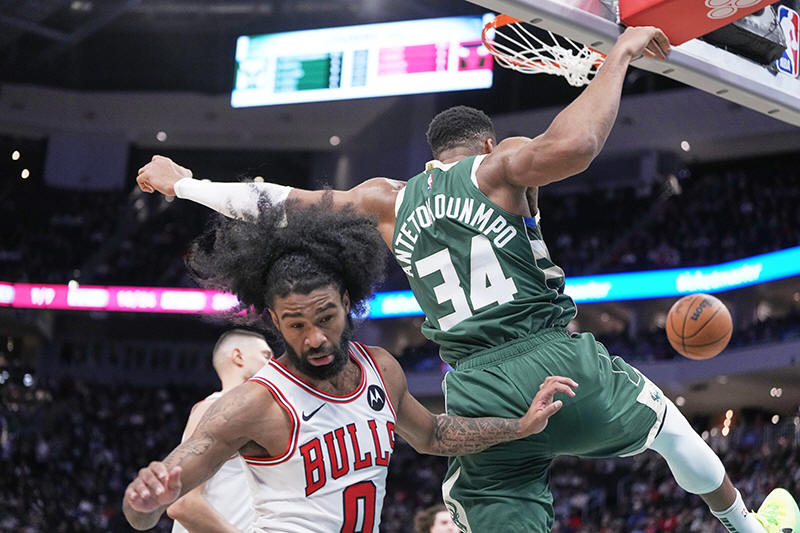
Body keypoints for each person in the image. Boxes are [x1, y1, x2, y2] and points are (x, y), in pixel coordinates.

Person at [136, 26, 799, 533]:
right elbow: (575, 146)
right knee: (673, 433)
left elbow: (284, 204)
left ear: (432, 157)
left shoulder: (387, 198)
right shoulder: (497, 165)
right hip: (554, 358)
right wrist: (619, 55)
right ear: (485, 144)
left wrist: (186, 183)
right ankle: (749, 527)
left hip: (475, 386)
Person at [122, 200, 577, 532]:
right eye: (296, 324)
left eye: (325, 318)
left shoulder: (381, 368)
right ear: (275, 321)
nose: (315, 337)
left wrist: (519, 427)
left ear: (347, 302)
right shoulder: (254, 404)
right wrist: (142, 501)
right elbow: (153, 508)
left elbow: (434, 434)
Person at [168, 329, 273, 533]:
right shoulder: (214, 409)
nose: (273, 365)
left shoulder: (256, 416)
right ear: (238, 356)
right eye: (266, 356)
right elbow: (183, 502)